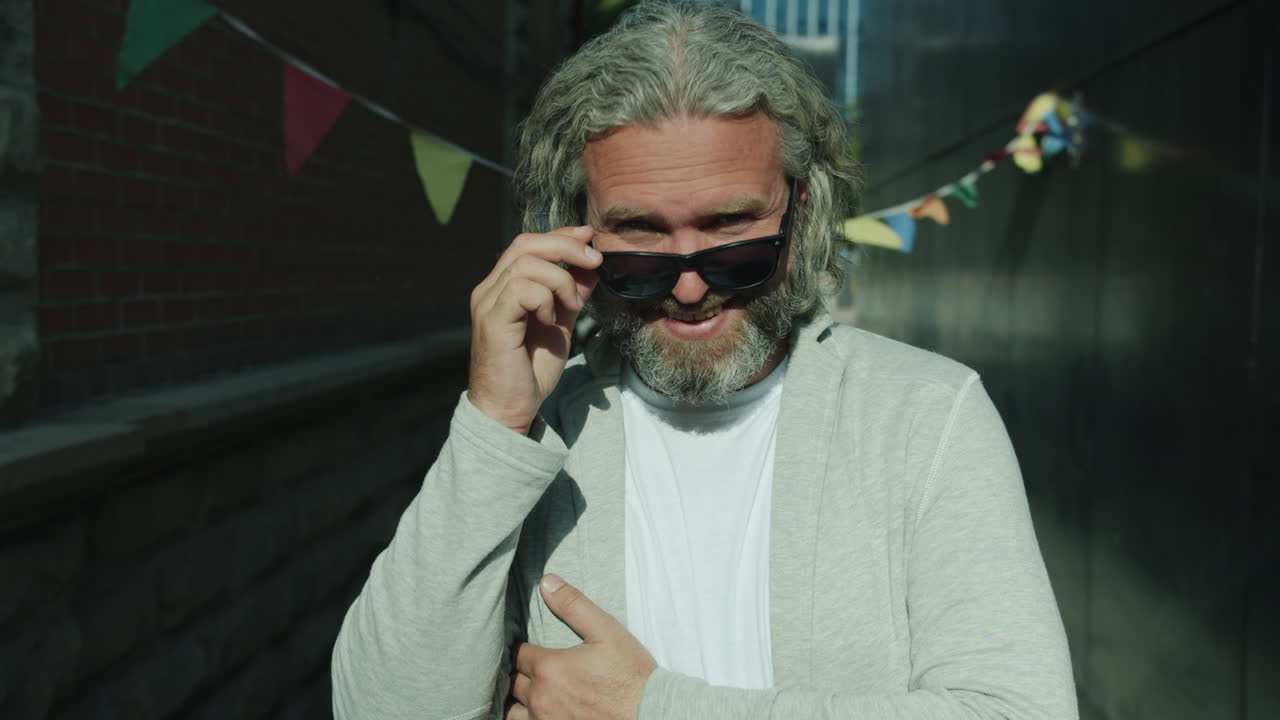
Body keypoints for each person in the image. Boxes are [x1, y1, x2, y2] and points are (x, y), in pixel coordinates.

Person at [331, 2, 1077, 719]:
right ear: (576, 231)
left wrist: (651, 708)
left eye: (731, 232)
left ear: (803, 206)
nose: (689, 286)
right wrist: (494, 424)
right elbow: (381, 708)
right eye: (641, 237)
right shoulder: (541, 433)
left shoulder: (923, 417)